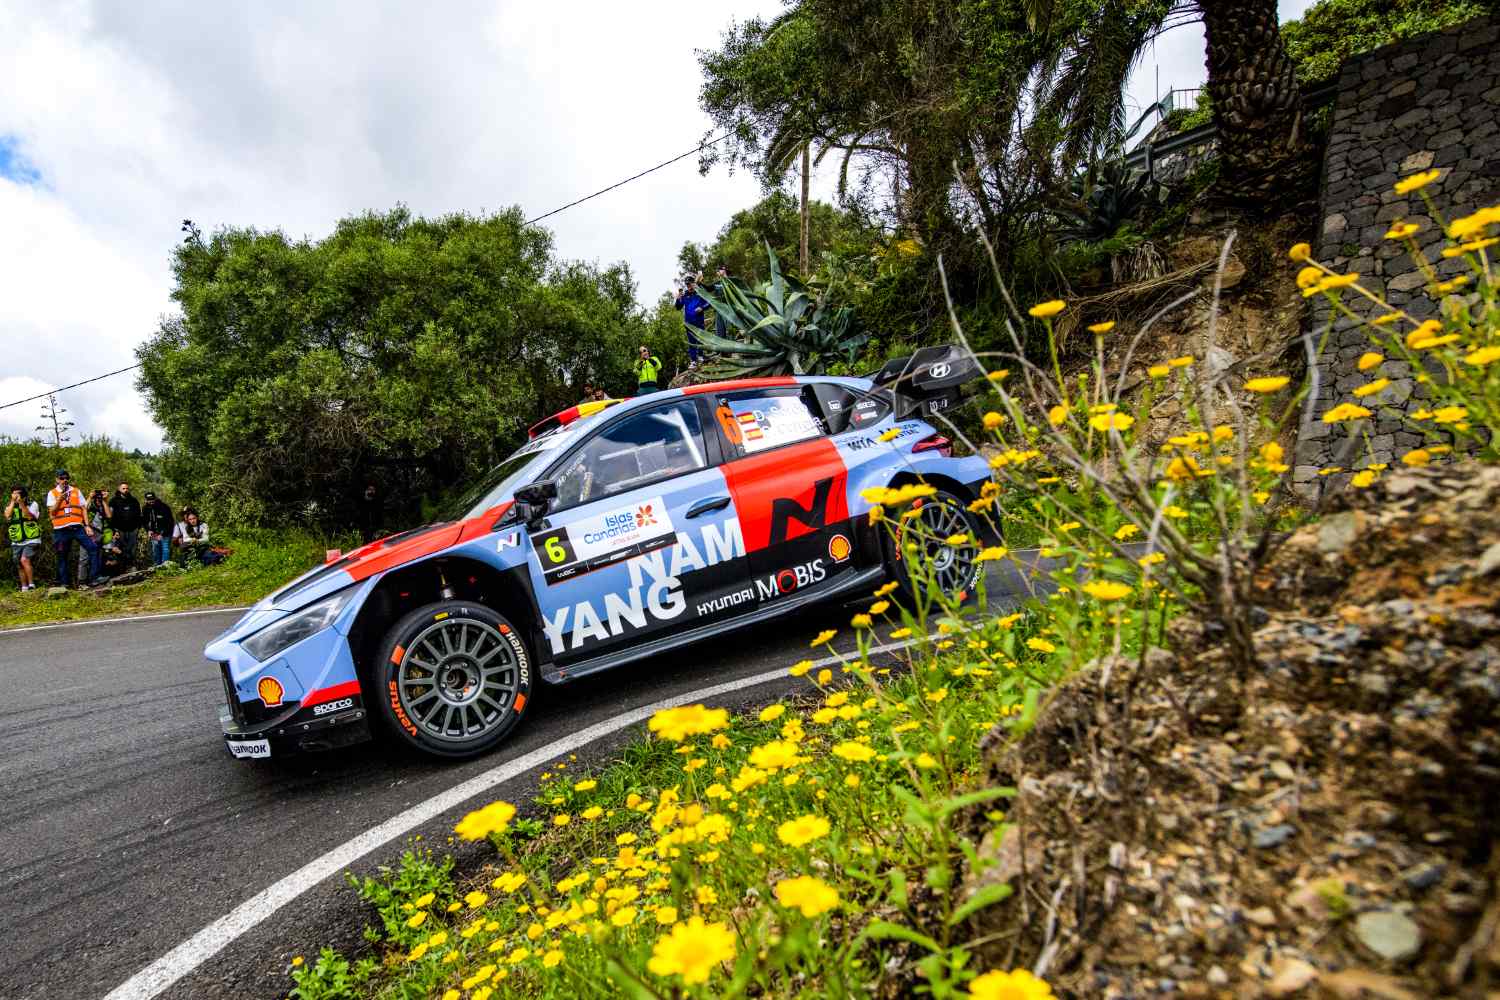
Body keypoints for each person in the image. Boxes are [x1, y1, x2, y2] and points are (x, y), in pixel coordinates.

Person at [46, 469, 100, 587]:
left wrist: (87, 525)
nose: (64, 480)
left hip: (77, 528)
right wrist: (60, 499)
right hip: (61, 529)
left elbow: (83, 508)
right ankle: (64, 583)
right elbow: (52, 511)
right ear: (57, 480)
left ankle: (94, 578)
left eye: (66, 478)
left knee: (93, 548)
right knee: (62, 556)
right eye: (62, 478)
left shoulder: (76, 491)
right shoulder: (52, 493)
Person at [6, 486, 41, 592]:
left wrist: (21, 503)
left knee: (24, 560)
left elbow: (29, 516)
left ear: (24, 494)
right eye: (14, 493)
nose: (16, 495)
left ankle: (31, 585)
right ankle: (24, 587)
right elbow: (7, 516)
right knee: (19, 564)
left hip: (31, 538)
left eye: (18, 493)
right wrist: (13, 502)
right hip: (17, 539)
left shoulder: (33, 504)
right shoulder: (10, 505)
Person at [674, 273, 708, 366]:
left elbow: (708, 303)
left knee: (700, 339)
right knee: (691, 342)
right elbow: (678, 307)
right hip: (689, 323)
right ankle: (693, 361)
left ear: (694, 283)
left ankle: (701, 356)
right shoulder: (684, 295)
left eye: (689, 283)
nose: (688, 286)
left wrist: (702, 308)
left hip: (699, 321)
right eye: (687, 284)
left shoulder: (700, 292)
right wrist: (678, 299)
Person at [109, 481, 142, 569]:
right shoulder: (113, 501)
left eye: (127, 488)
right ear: (119, 489)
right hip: (119, 530)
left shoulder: (134, 500)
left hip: (133, 529)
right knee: (120, 549)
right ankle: (121, 568)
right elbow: (110, 516)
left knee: (132, 549)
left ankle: (131, 567)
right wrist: (113, 530)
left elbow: (139, 514)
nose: (125, 490)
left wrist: (138, 527)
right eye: (123, 488)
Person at [142, 491, 175, 567]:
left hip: (165, 533)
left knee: (165, 550)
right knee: (156, 551)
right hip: (154, 534)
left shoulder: (164, 507)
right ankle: (157, 567)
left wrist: (162, 534)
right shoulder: (145, 508)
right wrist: (148, 530)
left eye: (152, 499)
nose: (151, 501)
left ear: (155, 498)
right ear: (146, 500)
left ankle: (165, 567)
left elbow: (170, 522)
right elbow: (144, 521)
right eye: (149, 500)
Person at [712, 264, 732, 339]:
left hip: (729, 309)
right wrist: (699, 283)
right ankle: (722, 345)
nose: (717, 272)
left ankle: (732, 344)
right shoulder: (717, 283)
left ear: (724, 270)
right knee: (720, 331)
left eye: (718, 270)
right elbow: (708, 288)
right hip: (719, 310)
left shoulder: (731, 281)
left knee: (729, 331)